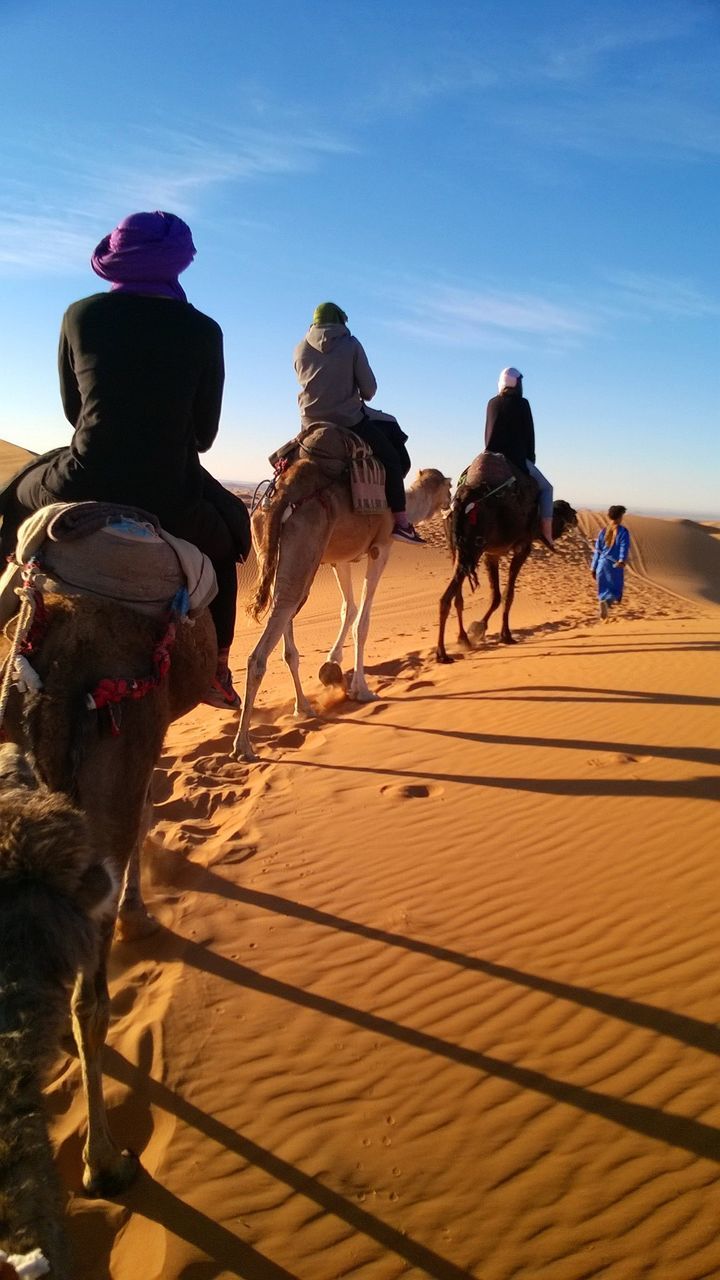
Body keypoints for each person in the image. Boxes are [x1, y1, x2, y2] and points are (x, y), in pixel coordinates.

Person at [1, 211, 249, 708]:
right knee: (229, 537)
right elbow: (202, 436)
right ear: (179, 262)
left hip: (82, 477)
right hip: (171, 491)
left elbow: (74, 411)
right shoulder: (204, 330)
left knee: (12, 495)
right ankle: (218, 666)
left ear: (114, 256)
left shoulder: (80, 315)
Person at [293, 302, 424, 544]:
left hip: (309, 423)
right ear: (340, 321)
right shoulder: (351, 344)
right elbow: (370, 390)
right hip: (349, 420)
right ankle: (401, 523)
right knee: (393, 458)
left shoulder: (299, 348)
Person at [484, 367, 555, 549]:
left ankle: (452, 508)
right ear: (517, 384)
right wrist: (530, 459)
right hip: (514, 459)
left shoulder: (491, 403)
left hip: (489, 457)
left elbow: (487, 433)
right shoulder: (522, 403)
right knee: (547, 488)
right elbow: (529, 435)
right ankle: (546, 533)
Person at [591, 505, 630, 619]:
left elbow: (597, 551)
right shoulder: (622, 531)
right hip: (614, 565)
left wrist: (593, 567)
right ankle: (607, 604)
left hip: (601, 565)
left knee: (604, 589)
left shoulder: (603, 531)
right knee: (615, 590)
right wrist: (622, 559)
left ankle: (604, 604)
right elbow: (624, 546)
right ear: (620, 516)